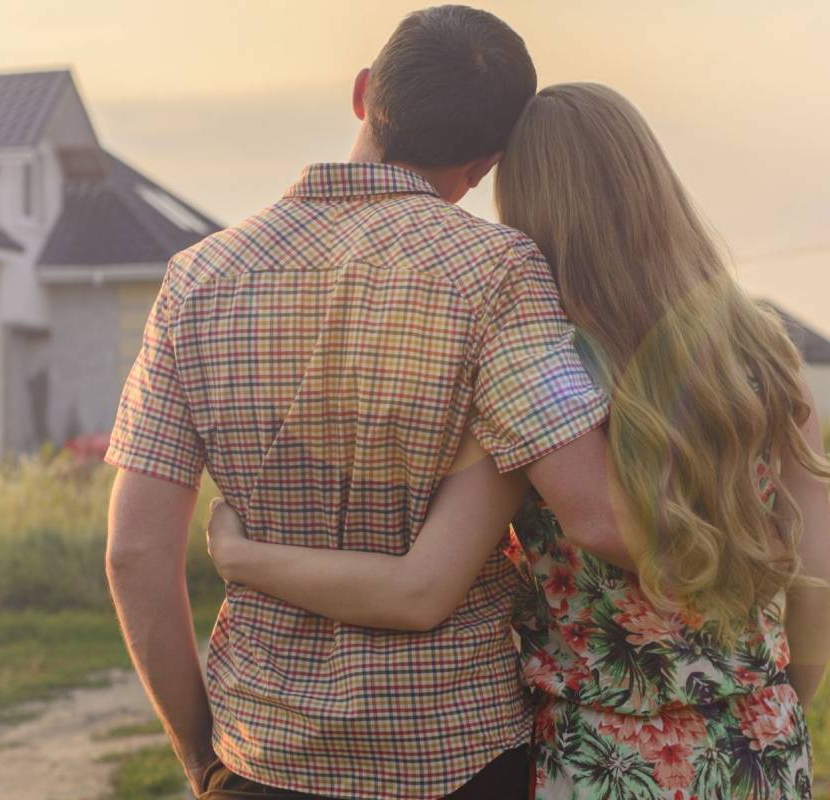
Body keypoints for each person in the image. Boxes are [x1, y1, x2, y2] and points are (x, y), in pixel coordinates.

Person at [204, 82, 830, 800]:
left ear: (527, 203)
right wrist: (771, 707)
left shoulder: (537, 375)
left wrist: (243, 555)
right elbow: (819, 579)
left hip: (601, 758)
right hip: (763, 741)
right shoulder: (764, 356)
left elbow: (418, 586)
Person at [106, 6, 635, 799]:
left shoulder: (198, 280)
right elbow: (595, 514)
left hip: (264, 753)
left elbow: (134, 552)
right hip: (457, 753)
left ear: (363, 94)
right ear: (488, 163)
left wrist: (201, 759)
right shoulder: (498, 272)